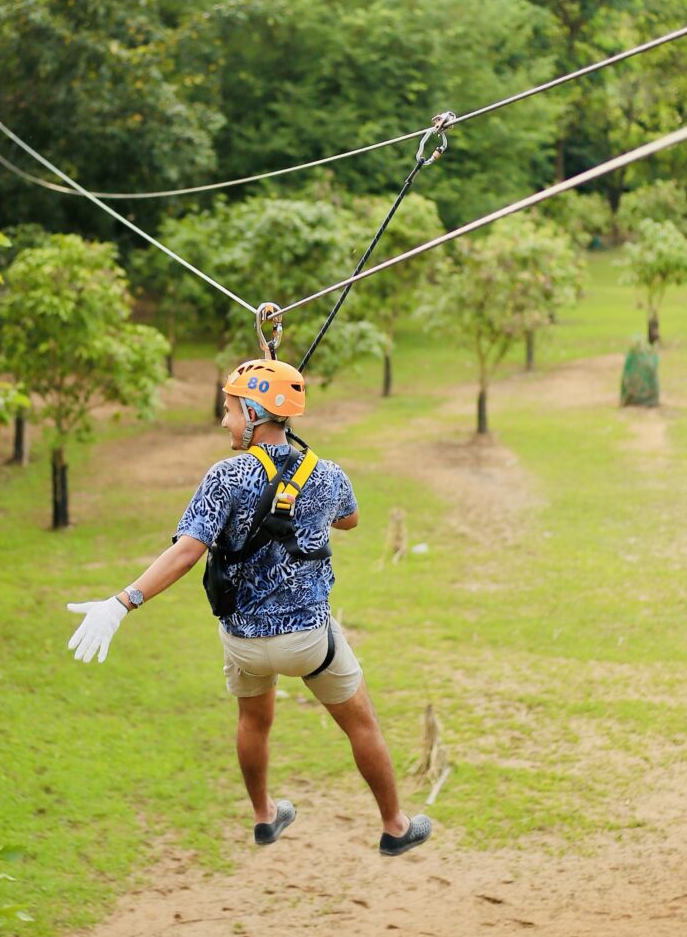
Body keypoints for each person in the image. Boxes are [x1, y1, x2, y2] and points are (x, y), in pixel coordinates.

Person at [66, 357, 431, 856]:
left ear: (257, 415)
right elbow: (349, 521)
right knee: (361, 722)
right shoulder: (326, 475)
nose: (224, 421)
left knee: (253, 721)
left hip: (244, 643)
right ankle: (394, 825)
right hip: (309, 643)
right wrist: (300, 489)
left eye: (231, 410)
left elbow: (187, 550)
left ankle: (264, 816)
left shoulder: (225, 477)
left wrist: (122, 602)